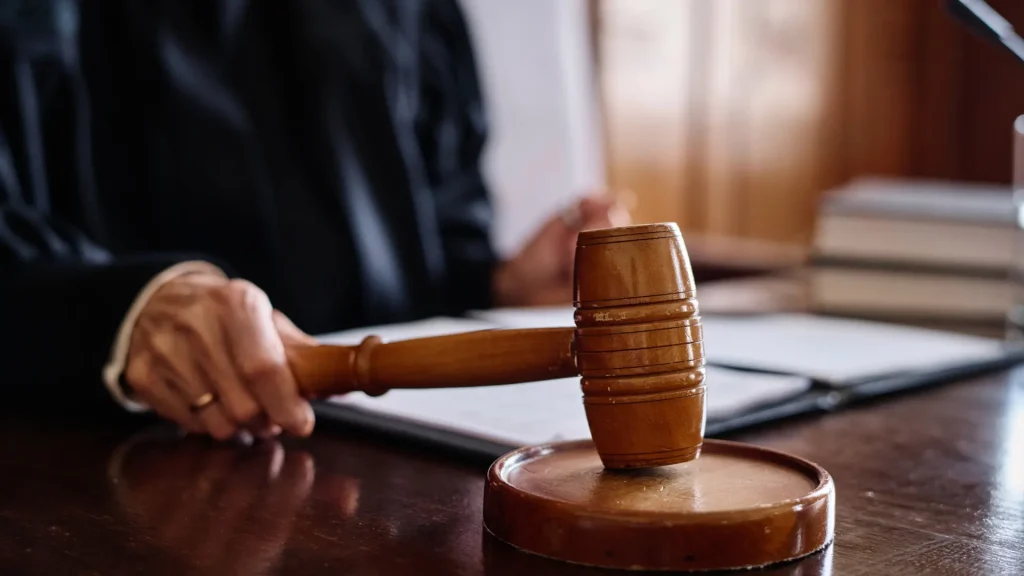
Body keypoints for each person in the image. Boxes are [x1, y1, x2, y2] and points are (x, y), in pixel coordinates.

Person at [0, 1, 627, 440]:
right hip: (114, 463)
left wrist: (502, 285)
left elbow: (434, 238)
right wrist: (128, 310)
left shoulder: (414, 12)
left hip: (393, 469)